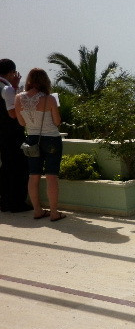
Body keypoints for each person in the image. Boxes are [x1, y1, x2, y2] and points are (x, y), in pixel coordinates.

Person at [14, 68, 65, 222]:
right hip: (51, 139)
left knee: (33, 175)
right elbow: (57, 122)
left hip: (32, 140)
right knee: (51, 176)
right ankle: (54, 212)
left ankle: (37, 210)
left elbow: (21, 123)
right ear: (45, 81)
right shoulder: (50, 99)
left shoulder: (18, 98)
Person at [0, 58, 31, 212]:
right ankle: (16, 202)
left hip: (2, 134)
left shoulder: (6, 87)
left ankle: (5, 201)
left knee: (6, 167)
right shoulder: (7, 89)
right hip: (12, 133)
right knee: (19, 167)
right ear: (12, 72)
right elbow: (13, 112)